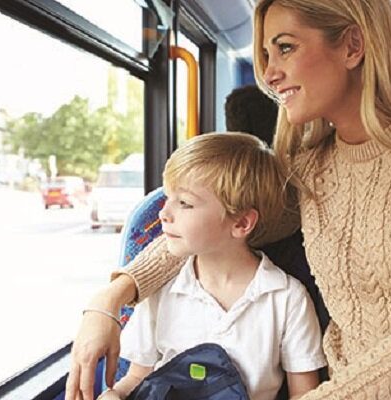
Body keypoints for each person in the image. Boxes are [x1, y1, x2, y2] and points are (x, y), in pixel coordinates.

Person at [66, 0, 391, 399]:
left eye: (286, 48)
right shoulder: (311, 164)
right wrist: (113, 298)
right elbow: (215, 228)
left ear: (352, 46)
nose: (270, 74)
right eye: (265, 55)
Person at [96, 132, 326, 400]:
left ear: (240, 223)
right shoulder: (161, 290)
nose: (163, 214)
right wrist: (114, 396)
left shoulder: (286, 298)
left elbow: (304, 394)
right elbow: (138, 377)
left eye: (185, 204)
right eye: (167, 199)